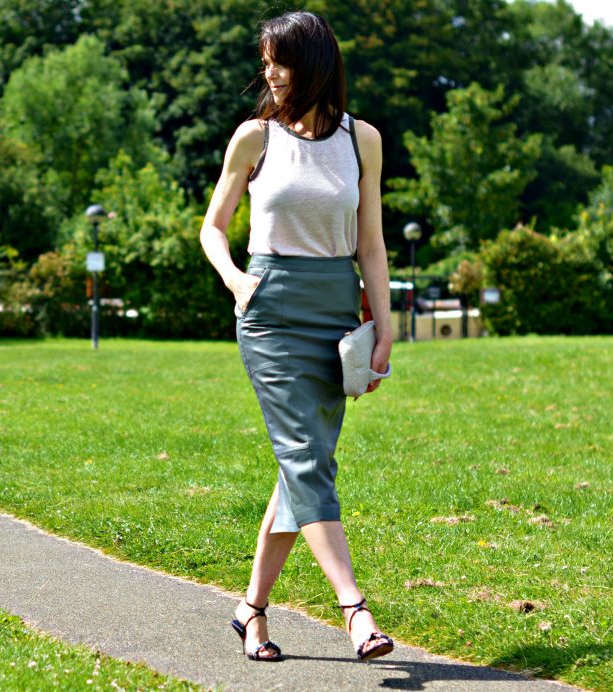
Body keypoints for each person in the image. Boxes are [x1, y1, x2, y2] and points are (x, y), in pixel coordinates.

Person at [199, 11, 394, 662]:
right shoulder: (255, 139)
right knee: (309, 460)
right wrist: (234, 279)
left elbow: (370, 242)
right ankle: (355, 610)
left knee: (298, 470)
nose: (269, 74)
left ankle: (250, 610)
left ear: (311, 64)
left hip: (336, 310)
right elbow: (213, 226)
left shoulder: (362, 140)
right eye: (265, 62)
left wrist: (384, 329)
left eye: (280, 61)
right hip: (271, 311)